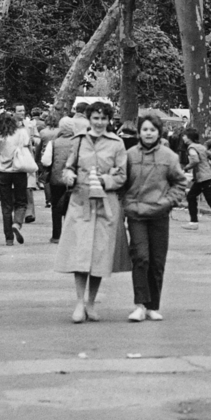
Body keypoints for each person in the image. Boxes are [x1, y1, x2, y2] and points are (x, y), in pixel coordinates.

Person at [55, 100, 130, 322]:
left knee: (99, 255)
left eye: (103, 118)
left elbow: (122, 175)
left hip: (106, 204)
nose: (99, 122)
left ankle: (91, 302)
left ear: (109, 120)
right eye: (95, 118)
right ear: (89, 120)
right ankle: (78, 303)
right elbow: (68, 167)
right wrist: (68, 175)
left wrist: (105, 180)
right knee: (80, 254)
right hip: (81, 202)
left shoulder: (117, 144)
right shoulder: (78, 141)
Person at [122, 114, 190, 320]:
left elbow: (180, 183)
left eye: (152, 130)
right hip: (136, 214)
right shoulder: (130, 155)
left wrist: (168, 201)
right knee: (141, 257)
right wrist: (127, 204)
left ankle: (153, 306)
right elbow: (121, 181)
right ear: (139, 132)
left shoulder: (169, 156)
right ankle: (140, 304)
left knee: (157, 261)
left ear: (159, 132)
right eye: (145, 129)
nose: (148, 133)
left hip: (160, 214)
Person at [0, 108, 34, 245]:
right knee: (21, 201)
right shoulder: (21, 133)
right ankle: (17, 223)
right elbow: (28, 146)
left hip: (4, 171)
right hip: (19, 170)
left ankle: (8, 238)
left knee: (6, 205)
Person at [182, 126, 211, 228]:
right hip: (207, 176)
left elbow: (195, 160)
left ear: (189, 137)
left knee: (203, 199)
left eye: (184, 136)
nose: (183, 138)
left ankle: (194, 222)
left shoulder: (191, 148)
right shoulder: (201, 147)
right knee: (204, 198)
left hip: (202, 177)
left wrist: (186, 168)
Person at [45, 114, 81, 244]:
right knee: (71, 207)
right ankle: (69, 235)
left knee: (56, 206)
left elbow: (46, 161)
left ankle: (56, 235)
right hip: (73, 178)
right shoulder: (78, 142)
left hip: (56, 178)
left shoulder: (53, 143)